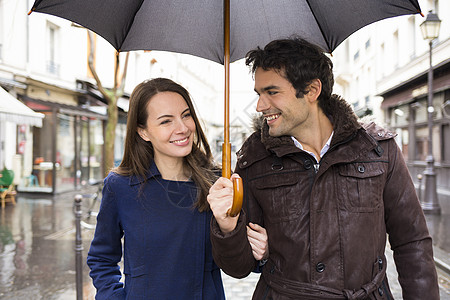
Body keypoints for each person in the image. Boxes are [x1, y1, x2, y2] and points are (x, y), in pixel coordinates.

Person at [207, 37, 440, 299]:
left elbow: (412, 242)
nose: (260, 106)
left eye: (271, 92)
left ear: (311, 90)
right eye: (258, 94)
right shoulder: (254, 158)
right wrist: (228, 228)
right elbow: (238, 267)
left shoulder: (376, 149)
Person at [87, 78, 267, 300]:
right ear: (142, 131)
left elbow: (250, 263)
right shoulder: (121, 186)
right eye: (166, 121)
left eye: (186, 115)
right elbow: (102, 259)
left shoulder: (220, 185)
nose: (182, 128)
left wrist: (255, 245)